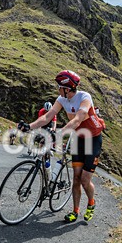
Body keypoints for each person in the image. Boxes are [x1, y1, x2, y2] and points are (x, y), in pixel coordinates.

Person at [20, 69, 104, 223]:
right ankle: (75, 211)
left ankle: (91, 203)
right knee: (76, 179)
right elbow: (47, 116)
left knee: (85, 180)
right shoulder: (61, 99)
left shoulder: (85, 97)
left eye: (59, 86)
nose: (57, 89)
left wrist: (58, 133)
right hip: (78, 139)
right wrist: (29, 126)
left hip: (93, 140)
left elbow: (77, 120)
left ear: (67, 87)